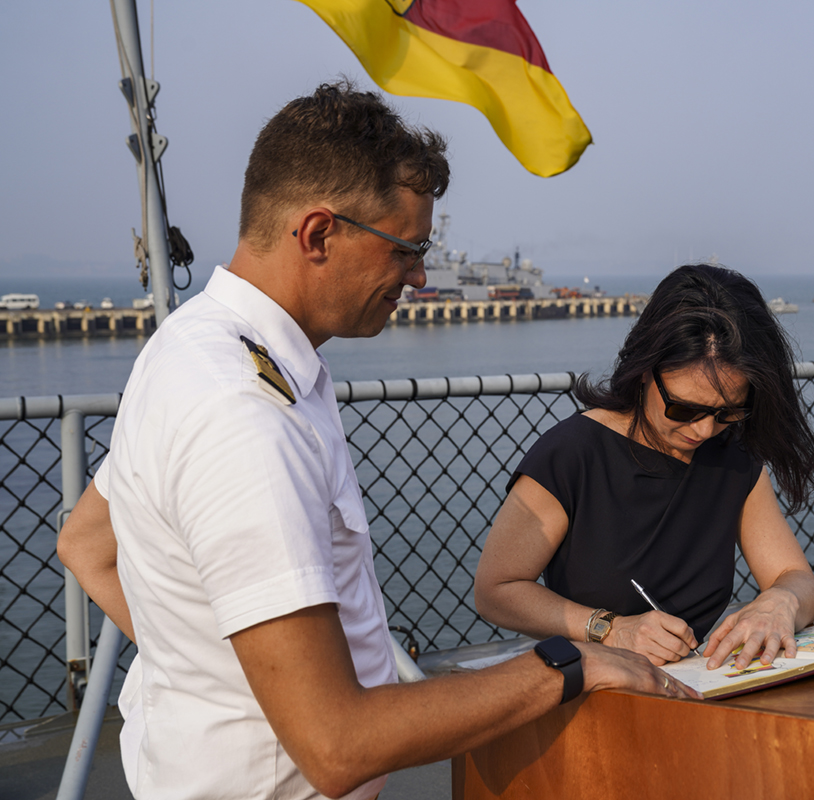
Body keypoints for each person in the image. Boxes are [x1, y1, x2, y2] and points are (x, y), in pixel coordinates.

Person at [56, 81, 695, 800]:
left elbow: (86, 543)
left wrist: (220, 667)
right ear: (318, 234)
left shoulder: (189, 348)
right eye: (405, 249)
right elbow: (337, 746)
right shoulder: (246, 417)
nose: (419, 276)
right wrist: (571, 664)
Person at [474, 264, 814, 673]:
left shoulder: (734, 456)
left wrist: (780, 602)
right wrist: (609, 629)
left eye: (728, 412)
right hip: (597, 683)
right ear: (644, 370)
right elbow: (495, 591)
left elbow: (796, 577)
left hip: (694, 680)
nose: (704, 430)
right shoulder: (572, 454)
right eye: (684, 409)